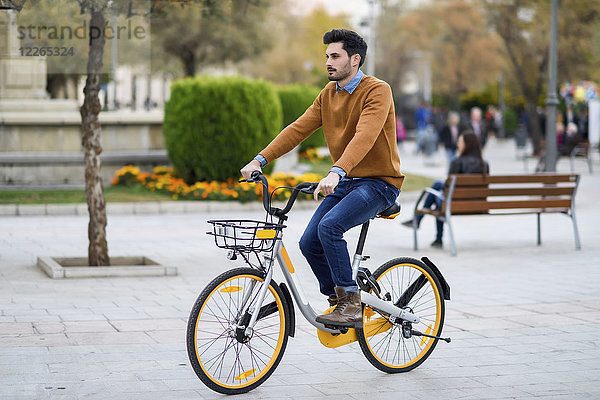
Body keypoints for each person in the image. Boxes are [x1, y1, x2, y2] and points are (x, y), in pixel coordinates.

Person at [240, 29, 403, 327]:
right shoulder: (328, 94)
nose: (328, 61)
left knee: (329, 227)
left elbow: (364, 135)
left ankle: (351, 304)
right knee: (308, 243)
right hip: (347, 182)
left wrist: (336, 171)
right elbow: (297, 129)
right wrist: (259, 159)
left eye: (335, 56)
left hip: (379, 183)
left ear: (355, 60)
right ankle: (338, 299)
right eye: (327, 56)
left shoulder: (377, 90)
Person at [402, 131, 489, 248]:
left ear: (467, 145)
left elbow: (448, 187)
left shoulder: (457, 162)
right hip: (478, 204)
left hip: (454, 204)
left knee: (436, 194)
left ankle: (422, 223)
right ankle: (423, 225)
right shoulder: (485, 164)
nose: (458, 144)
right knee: (438, 187)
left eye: (460, 142)